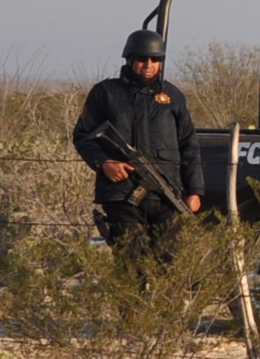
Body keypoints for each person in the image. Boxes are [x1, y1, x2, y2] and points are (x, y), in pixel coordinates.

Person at [73, 29, 202, 252]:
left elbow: (188, 146)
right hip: (120, 195)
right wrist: (104, 163)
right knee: (131, 260)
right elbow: (83, 136)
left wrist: (195, 191)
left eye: (155, 59)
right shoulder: (106, 93)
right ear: (130, 59)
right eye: (142, 59)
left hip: (167, 196)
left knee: (169, 261)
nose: (148, 65)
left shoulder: (173, 97)